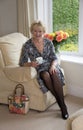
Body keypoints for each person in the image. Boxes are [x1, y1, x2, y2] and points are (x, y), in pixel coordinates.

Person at [19, 20, 69, 120]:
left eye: (40, 31)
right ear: (31, 31)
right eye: (35, 31)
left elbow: (54, 58)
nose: (37, 33)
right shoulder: (27, 45)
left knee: (54, 74)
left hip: (51, 65)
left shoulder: (48, 42)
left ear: (43, 32)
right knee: (45, 76)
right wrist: (31, 64)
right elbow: (22, 62)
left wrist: (53, 66)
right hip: (40, 68)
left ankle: (62, 106)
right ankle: (62, 103)